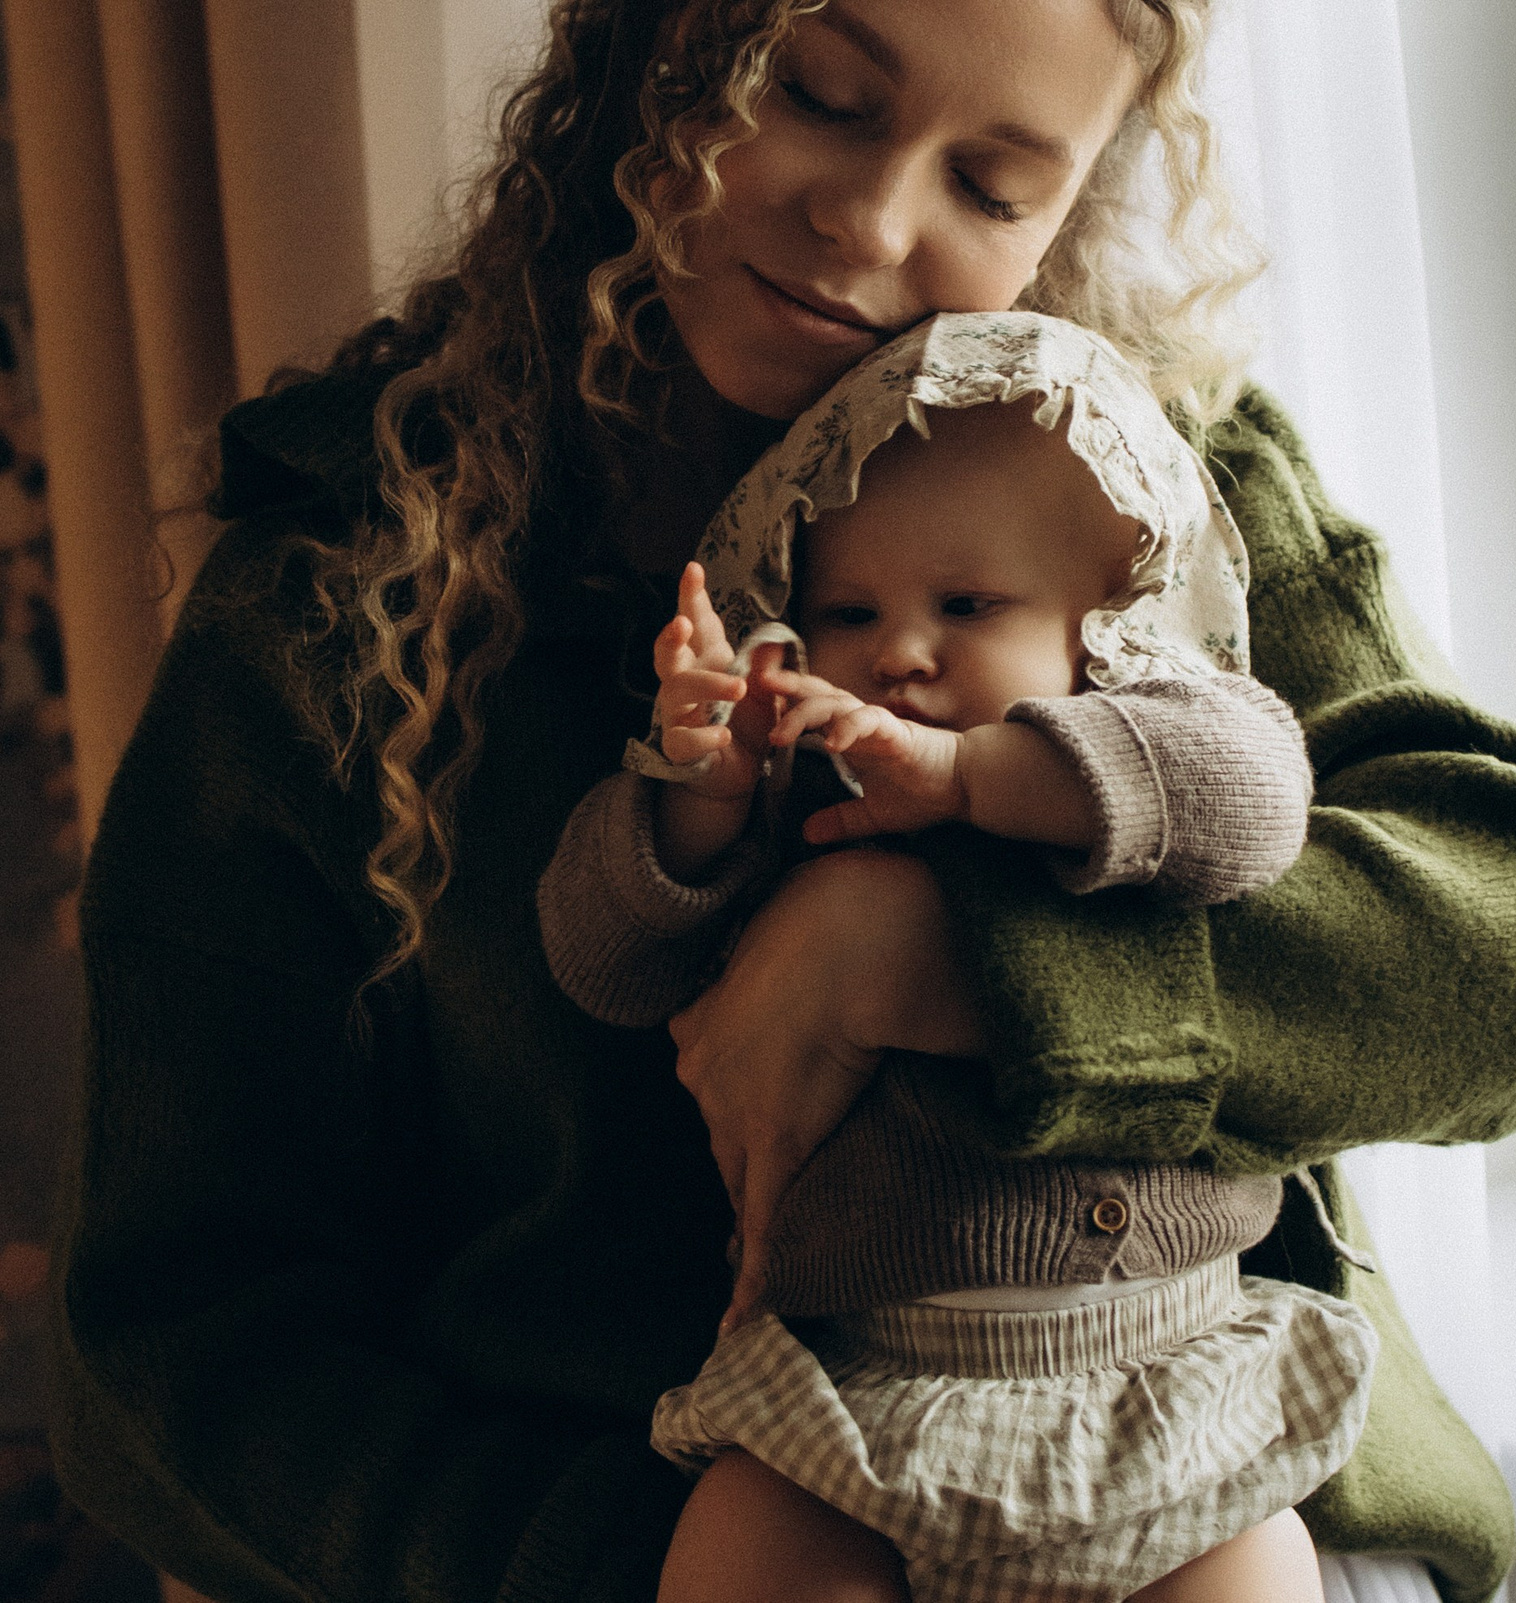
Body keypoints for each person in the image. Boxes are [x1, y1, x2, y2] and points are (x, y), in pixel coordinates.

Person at [49, 3, 1516, 1601]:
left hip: (1199, 1510)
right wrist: (650, 1568)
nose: (869, 222)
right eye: (816, 95)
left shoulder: (1137, 481)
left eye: (993, 190)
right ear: (649, 50)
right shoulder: (335, 599)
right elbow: (177, 1345)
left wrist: (950, 957)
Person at [546, 309, 1375, 1603]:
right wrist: (695, 794)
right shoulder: (804, 809)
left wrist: (971, 773)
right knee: (739, 1555)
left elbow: (1261, 800)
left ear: (1105, 625)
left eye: (967, 605)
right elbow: (603, 965)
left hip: (1170, 1393)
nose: (899, 653)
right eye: (850, 609)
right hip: (864, 1405)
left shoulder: (1144, 763)